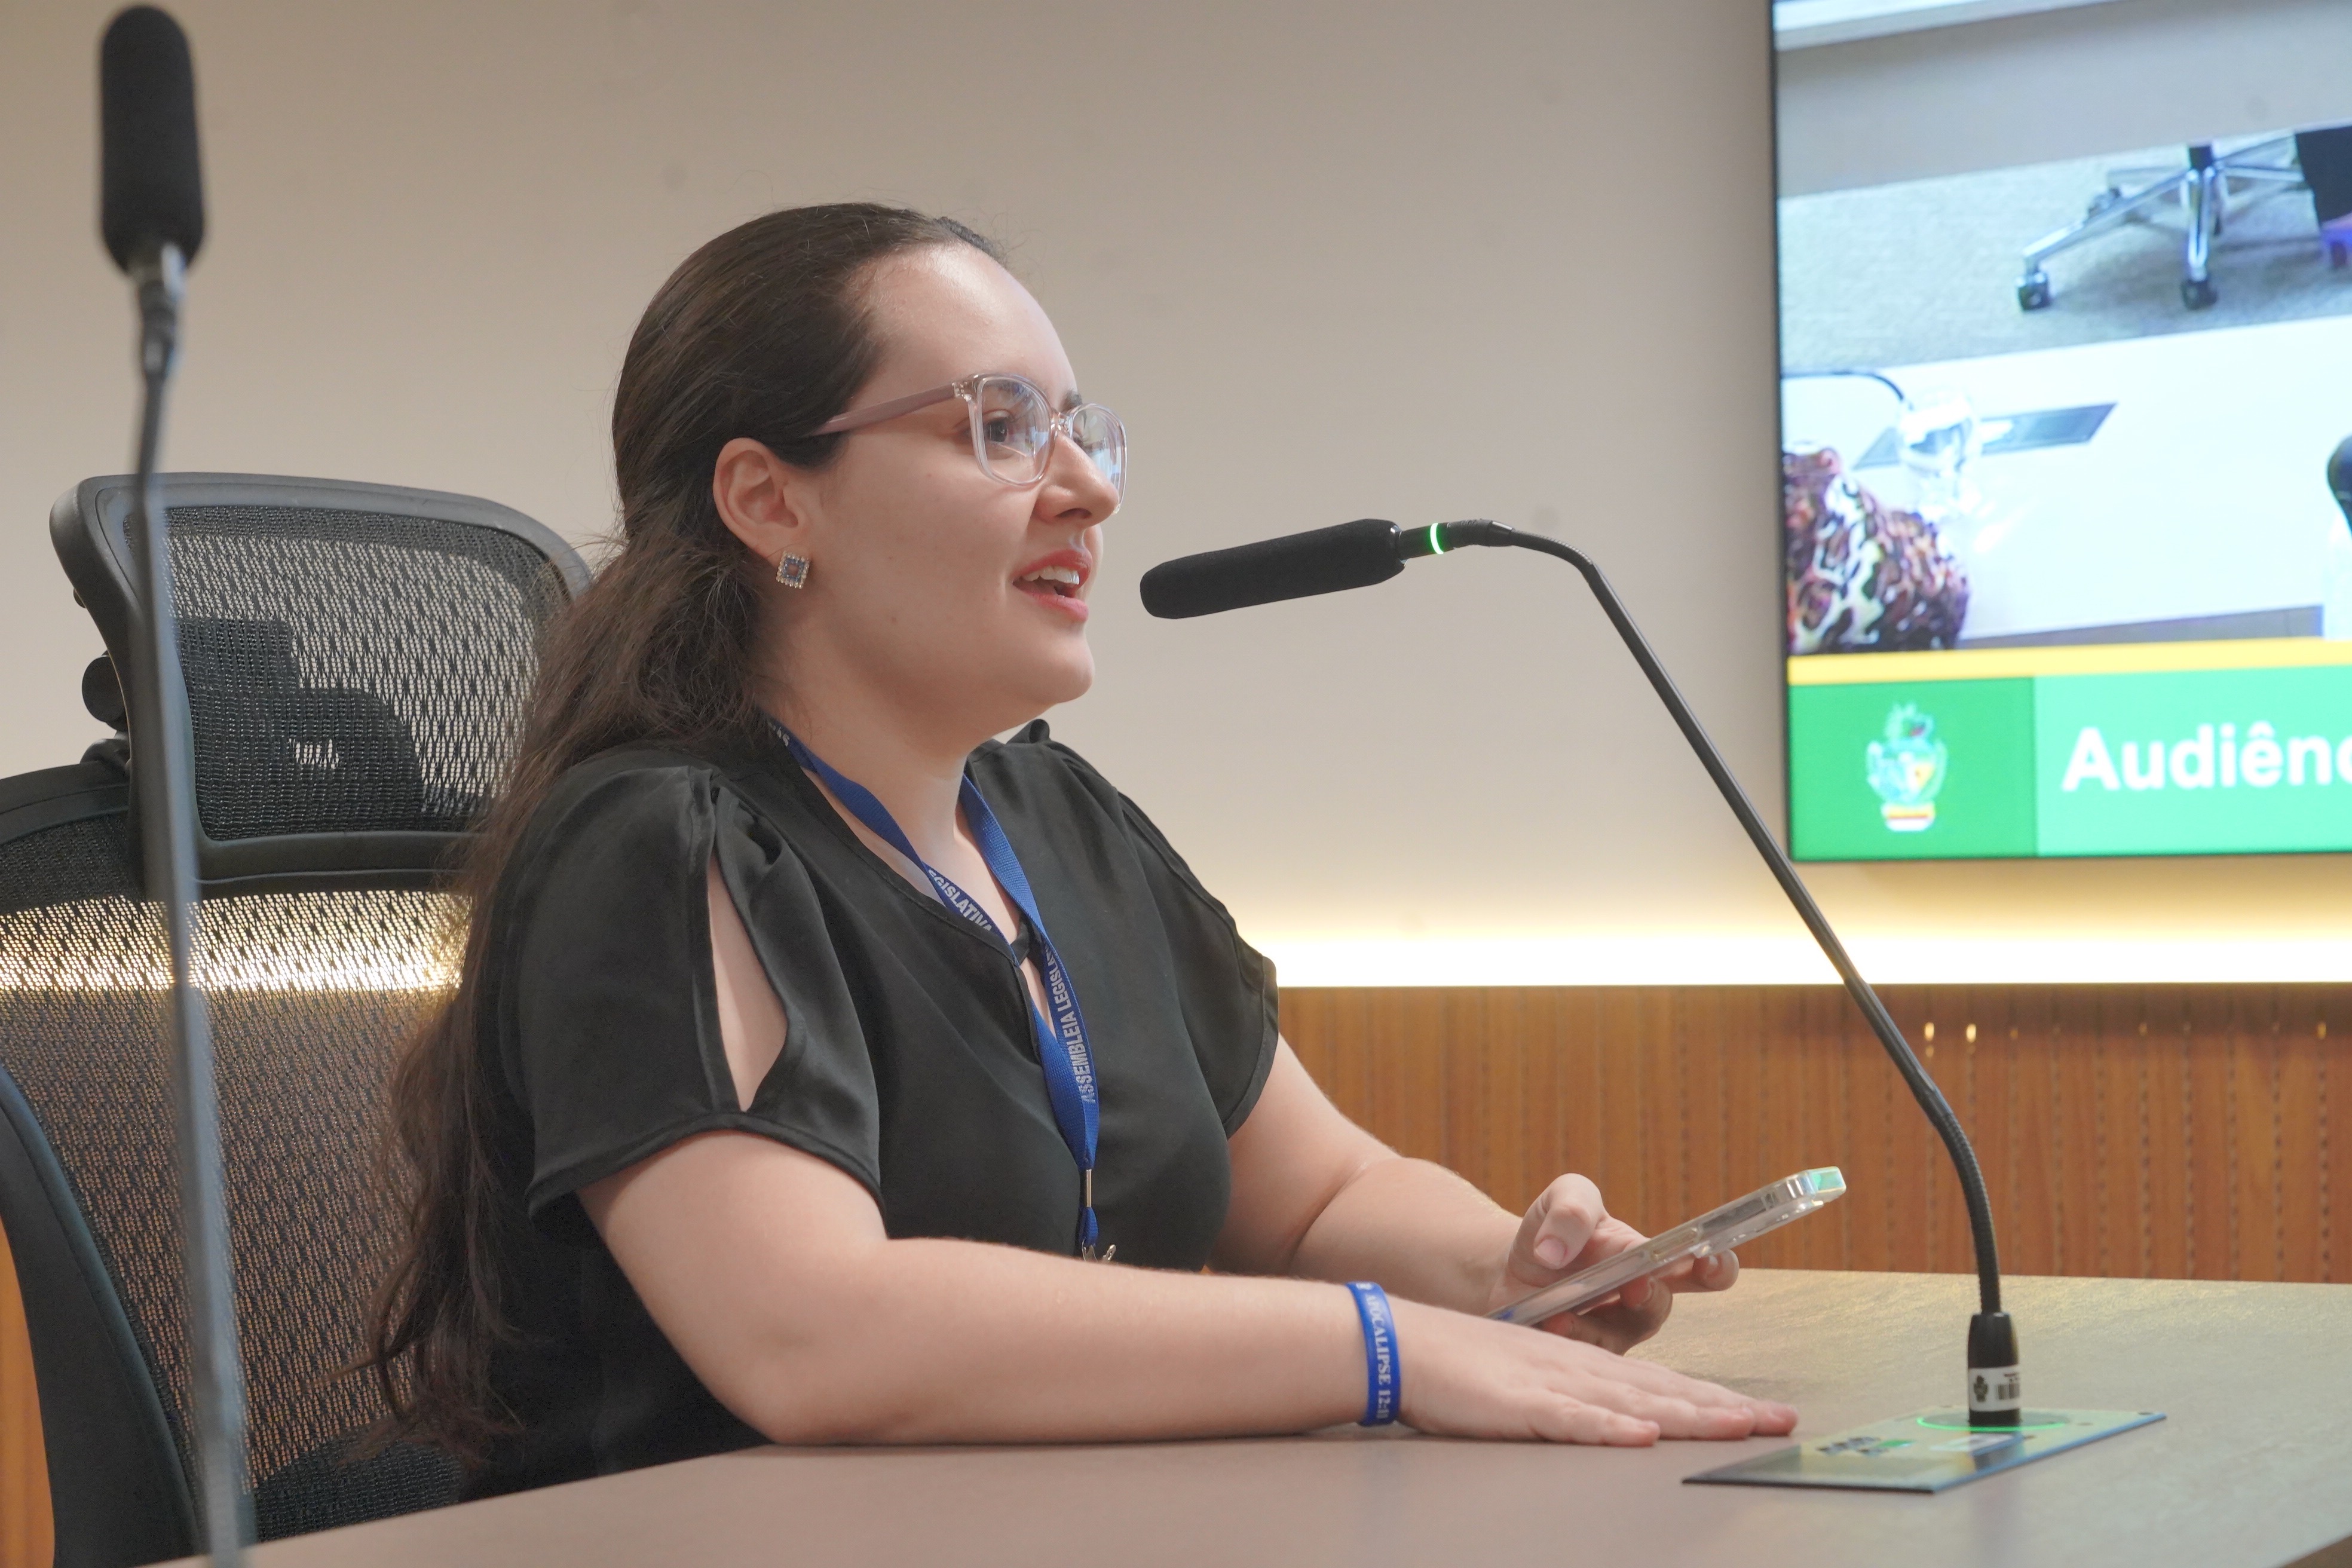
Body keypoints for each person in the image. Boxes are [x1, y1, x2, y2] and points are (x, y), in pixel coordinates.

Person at [369, 203, 1796, 1495]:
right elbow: (813, 1334)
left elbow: (1322, 1198)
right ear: (770, 500)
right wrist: (1384, 1348)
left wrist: (1508, 1273)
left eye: (1078, 430)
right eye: (998, 428)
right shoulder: (658, 847)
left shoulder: (1065, 822)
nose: (1086, 491)